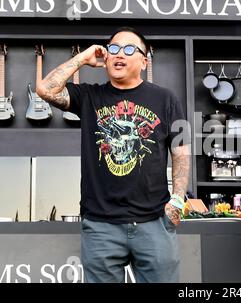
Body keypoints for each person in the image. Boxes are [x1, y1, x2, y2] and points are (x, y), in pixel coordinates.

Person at [36, 27, 190, 283]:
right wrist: (82, 59)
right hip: (100, 225)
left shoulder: (167, 98)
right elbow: (45, 89)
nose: (120, 54)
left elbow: (181, 149)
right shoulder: (89, 96)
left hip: (153, 222)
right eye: (114, 48)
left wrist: (178, 199)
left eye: (130, 49)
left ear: (144, 61)